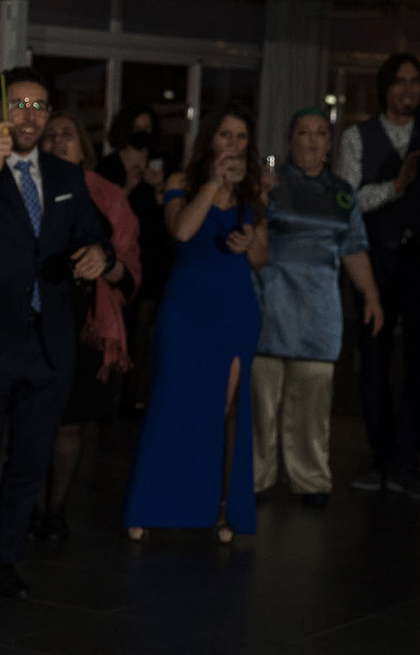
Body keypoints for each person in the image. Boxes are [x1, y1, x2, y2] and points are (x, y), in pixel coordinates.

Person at [0, 70, 109, 613]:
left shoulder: (66, 174)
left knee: (30, 462)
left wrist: (102, 255)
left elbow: (94, 231)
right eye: (19, 105)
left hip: (48, 343)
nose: (30, 115)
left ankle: (6, 561)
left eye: (40, 105)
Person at [122, 107, 269, 542]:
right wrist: (213, 186)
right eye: (226, 135)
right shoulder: (181, 185)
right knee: (172, 404)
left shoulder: (253, 195)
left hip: (234, 310)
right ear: (209, 141)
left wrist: (247, 244)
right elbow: (182, 231)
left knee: (223, 411)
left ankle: (220, 510)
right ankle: (150, 506)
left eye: (241, 137)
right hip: (187, 310)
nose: (233, 145)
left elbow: (262, 258)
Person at [335, 52, 420, 500]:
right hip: (375, 259)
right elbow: (346, 203)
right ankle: (379, 457)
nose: (408, 90)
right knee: (373, 361)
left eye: (415, 82)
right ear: (384, 89)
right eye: (400, 82)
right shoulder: (355, 137)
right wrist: (395, 187)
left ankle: (407, 463)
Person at [254, 110, 384, 509]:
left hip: (318, 312)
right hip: (270, 306)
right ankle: (255, 477)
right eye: (303, 133)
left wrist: (372, 296)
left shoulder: (342, 192)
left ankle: (311, 479)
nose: (312, 141)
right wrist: (263, 182)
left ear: (330, 143)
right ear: (289, 139)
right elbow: (260, 182)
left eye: (320, 134)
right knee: (261, 404)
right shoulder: (271, 179)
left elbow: (354, 247)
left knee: (313, 405)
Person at [33, 112, 139, 543]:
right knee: (31, 420)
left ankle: (55, 511)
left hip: (86, 320)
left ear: (84, 146)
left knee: (69, 423)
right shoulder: (28, 188)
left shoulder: (108, 196)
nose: (58, 142)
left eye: (67, 135)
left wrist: (105, 261)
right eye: (50, 135)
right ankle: (29, 507)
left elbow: (129, 270)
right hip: (36, 316)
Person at [104, 101, 170, 414]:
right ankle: (110, 390)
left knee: (144, 330)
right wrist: (129, 186)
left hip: (153, 257)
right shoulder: (110, 166)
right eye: (137, 128)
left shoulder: (161, 164)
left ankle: (134, 394)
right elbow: (105, 215)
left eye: (148, 129)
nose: (142, 134)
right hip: (120, 256)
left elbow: (168, 217)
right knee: (119, 326)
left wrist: (161, 192)